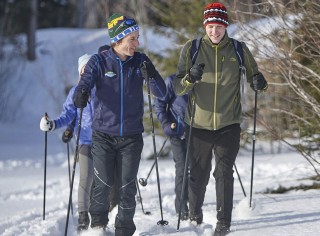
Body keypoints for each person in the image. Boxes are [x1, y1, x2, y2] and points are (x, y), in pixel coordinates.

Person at [173, 2, 268, 236]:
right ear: (204, 25)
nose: (214, 31)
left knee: (224, 174)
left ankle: (223, 223)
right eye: (210, 25)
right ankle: (195, 215)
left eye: (218, 26)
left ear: (225, 26)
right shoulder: (192, 48)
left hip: (228, 123)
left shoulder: (238, 49)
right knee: (198, 175)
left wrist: (260, 83)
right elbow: (177, 87)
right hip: (199, 124)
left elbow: (257, 77)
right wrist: (190, 79)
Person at [72, 13, 166, 236]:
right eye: (132, 39)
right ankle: (97, 227)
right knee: (102, 184)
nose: (137, 43)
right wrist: (81, 93)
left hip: (131, 137)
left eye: (137, 38)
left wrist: (151, 75)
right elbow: (83, 84)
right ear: (118, 40)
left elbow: (161, 93)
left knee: (126, 187)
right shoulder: (99, 61)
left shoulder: (141, 61)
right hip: (103, 135)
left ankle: (124, 230)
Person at [39, 54, 95, 232]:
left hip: (106, 141)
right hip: (85, 141)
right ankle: (83, 216)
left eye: (91, 68)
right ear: (80, 71)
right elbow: (68, 115)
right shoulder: (75, 92)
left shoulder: (103, 89)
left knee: (103, 181)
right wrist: (53, 124)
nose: (87, 72)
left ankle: (101, 213)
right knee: (85, 178)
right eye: (84, 69)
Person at [153, 74, 189, 220]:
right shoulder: (172, 81)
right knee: (182, 167)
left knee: (198, 169)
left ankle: (194, 205)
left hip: (199, 131)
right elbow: (159, 104)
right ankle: (181, 208)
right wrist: (166, 123)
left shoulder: (203, 79)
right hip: (177, 131)